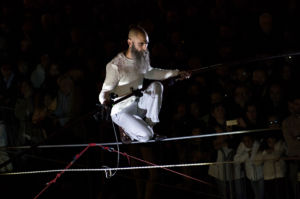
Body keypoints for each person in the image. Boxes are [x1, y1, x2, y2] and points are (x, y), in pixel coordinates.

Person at [98, 25, 190, 143]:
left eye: (146, 44)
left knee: (157, 86)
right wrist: (105, 102)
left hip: (138, 104)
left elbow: (152, 72)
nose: (145, 48)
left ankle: (150, 126)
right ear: (130, 42)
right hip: (120, 111)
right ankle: (130, 131)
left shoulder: (142, 58)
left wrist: (176, 73)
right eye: (141, 44)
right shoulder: (115, 66)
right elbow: (104, 92)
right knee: (146, 136)